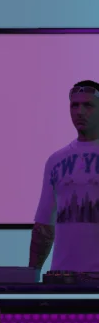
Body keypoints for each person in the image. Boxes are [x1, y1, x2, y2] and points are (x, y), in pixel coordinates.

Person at [30, 80, 99, 273]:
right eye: (74, 105)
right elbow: (44, 226)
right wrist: (32, 274)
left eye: (88, 105)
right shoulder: (56, 160)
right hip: (63, 277)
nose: (79, 112)